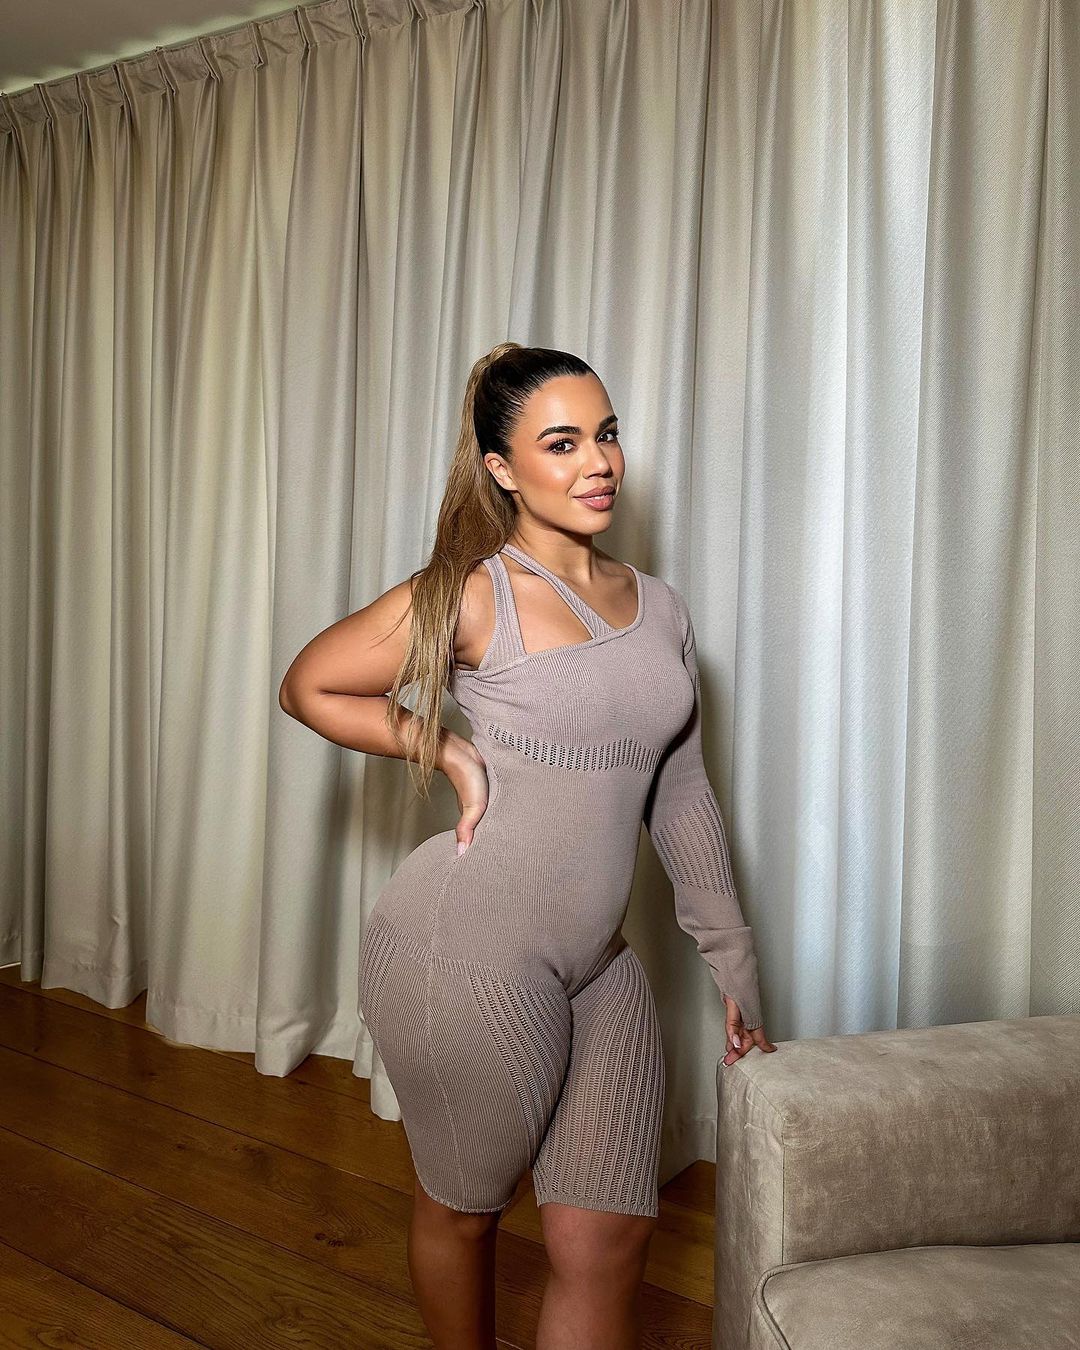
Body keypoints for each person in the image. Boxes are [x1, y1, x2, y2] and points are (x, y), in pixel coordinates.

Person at [279, 343, 777, 1349]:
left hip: (598, 961)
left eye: (606, 435)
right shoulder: (474, 594)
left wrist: (733, 961)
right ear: (502, 468)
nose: (598, 462)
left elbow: (680, 790)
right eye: (563, 443)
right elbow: (310, 684)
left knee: (611, 1237)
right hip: (465, 950)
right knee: (464, 1214)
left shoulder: (660, 607)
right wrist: (445, 749)